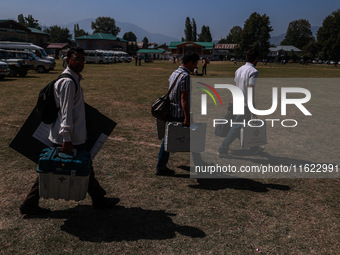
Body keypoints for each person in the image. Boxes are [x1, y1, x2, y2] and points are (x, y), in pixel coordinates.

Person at [20, 47, 120, 215]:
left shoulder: (72, 79)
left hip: (70, 136)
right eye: (76, 58)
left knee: (72, 167)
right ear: (67, 59)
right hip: (68, 138)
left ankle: (98, 198)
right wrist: (67, 139)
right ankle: (98, 199)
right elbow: (66, 113)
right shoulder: (68, 82)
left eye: (82, 59)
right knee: (54, 169)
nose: (80, 62)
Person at [156, 53, 204, 176]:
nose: (195, 67)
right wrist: (187, 116)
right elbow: (184, 98)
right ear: (190, 63)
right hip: (179, 113)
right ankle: (198, 164)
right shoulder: (185, 76)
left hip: (171, 110)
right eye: (195, 64)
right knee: (192, 137)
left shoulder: (175, 72)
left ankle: (198, 163)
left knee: (171, 137)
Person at [217, 48, 264, 157]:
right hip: (245, 104)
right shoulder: (253, 72)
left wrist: (232, 102)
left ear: (246, 58)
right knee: (237, 127)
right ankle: (222, 149)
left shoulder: (238, 70)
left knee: (242, 126)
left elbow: (235, 87)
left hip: (236, 102)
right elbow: (250, 89)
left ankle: (253, 147)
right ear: (256, 59)